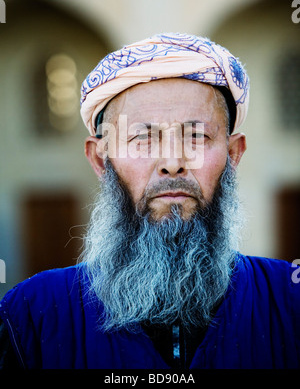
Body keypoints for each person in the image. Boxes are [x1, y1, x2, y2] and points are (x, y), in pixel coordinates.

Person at [0, 33, 299, 369]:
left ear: (232, 154)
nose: (172, 162)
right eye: (143, 138)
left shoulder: (291, 301)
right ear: (101, 160)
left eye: (197, 136)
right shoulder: (31, 315)